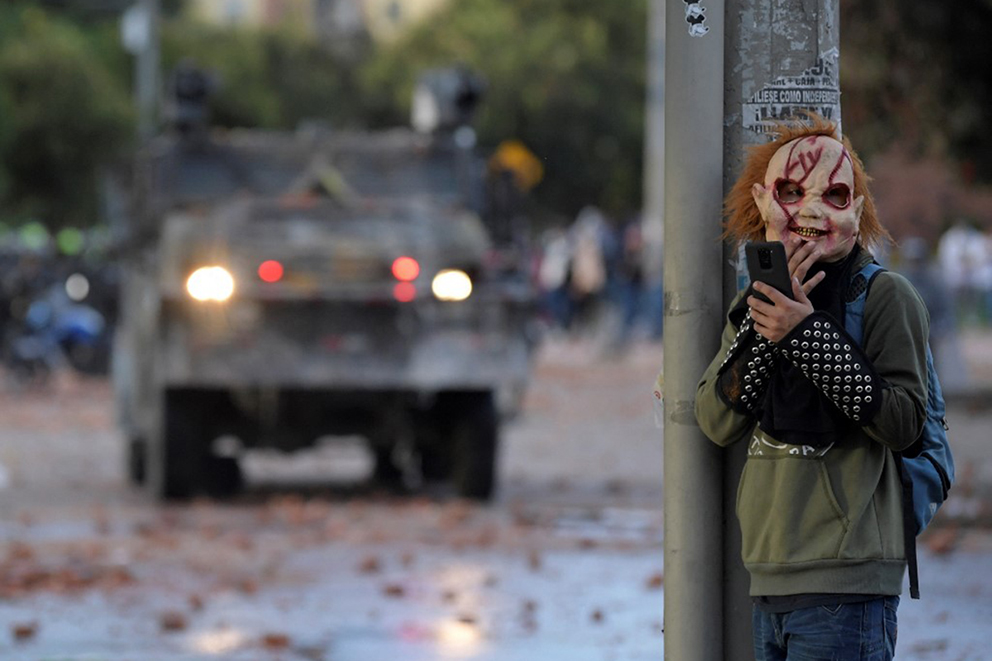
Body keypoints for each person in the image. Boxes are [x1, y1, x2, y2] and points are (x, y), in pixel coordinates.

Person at [695, 113, 928, 661]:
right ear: (762, 199)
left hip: (848, 586)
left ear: (859, 210)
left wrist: (806, 336)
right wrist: (767, 329)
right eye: (791, 191)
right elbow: (715, 419)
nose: (811, 209)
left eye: (835, 195)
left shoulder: (885, 297)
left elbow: (904, 423)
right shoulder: (754, 304)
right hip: (770, 579)